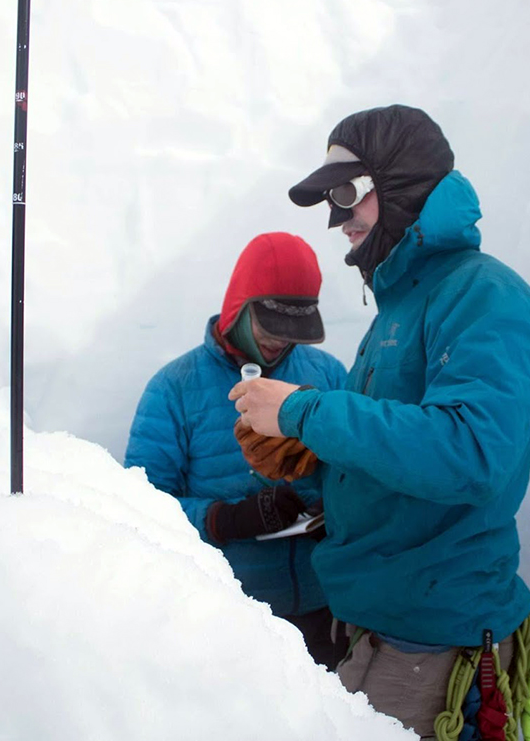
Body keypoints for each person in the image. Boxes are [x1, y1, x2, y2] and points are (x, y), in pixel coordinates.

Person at [229, 105, 530, 737]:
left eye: (347, 193)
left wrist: (305, 411)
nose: (337, 219)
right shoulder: (396, 308)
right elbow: (393, 459)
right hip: (371, 626)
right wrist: (308, 462)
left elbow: (472, 452)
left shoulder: (482, 294)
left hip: (431, 645)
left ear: (399, 185)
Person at [125, 231, 347, 669]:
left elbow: (362, 472)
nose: (280, 341)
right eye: (270, 326)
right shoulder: (174, 388)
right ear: (239, 306)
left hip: (326, 611)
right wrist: (223, 519)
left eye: (294, 331)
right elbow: (138, 506)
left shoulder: (329, 375)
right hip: (226, 618)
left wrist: (336, 512)